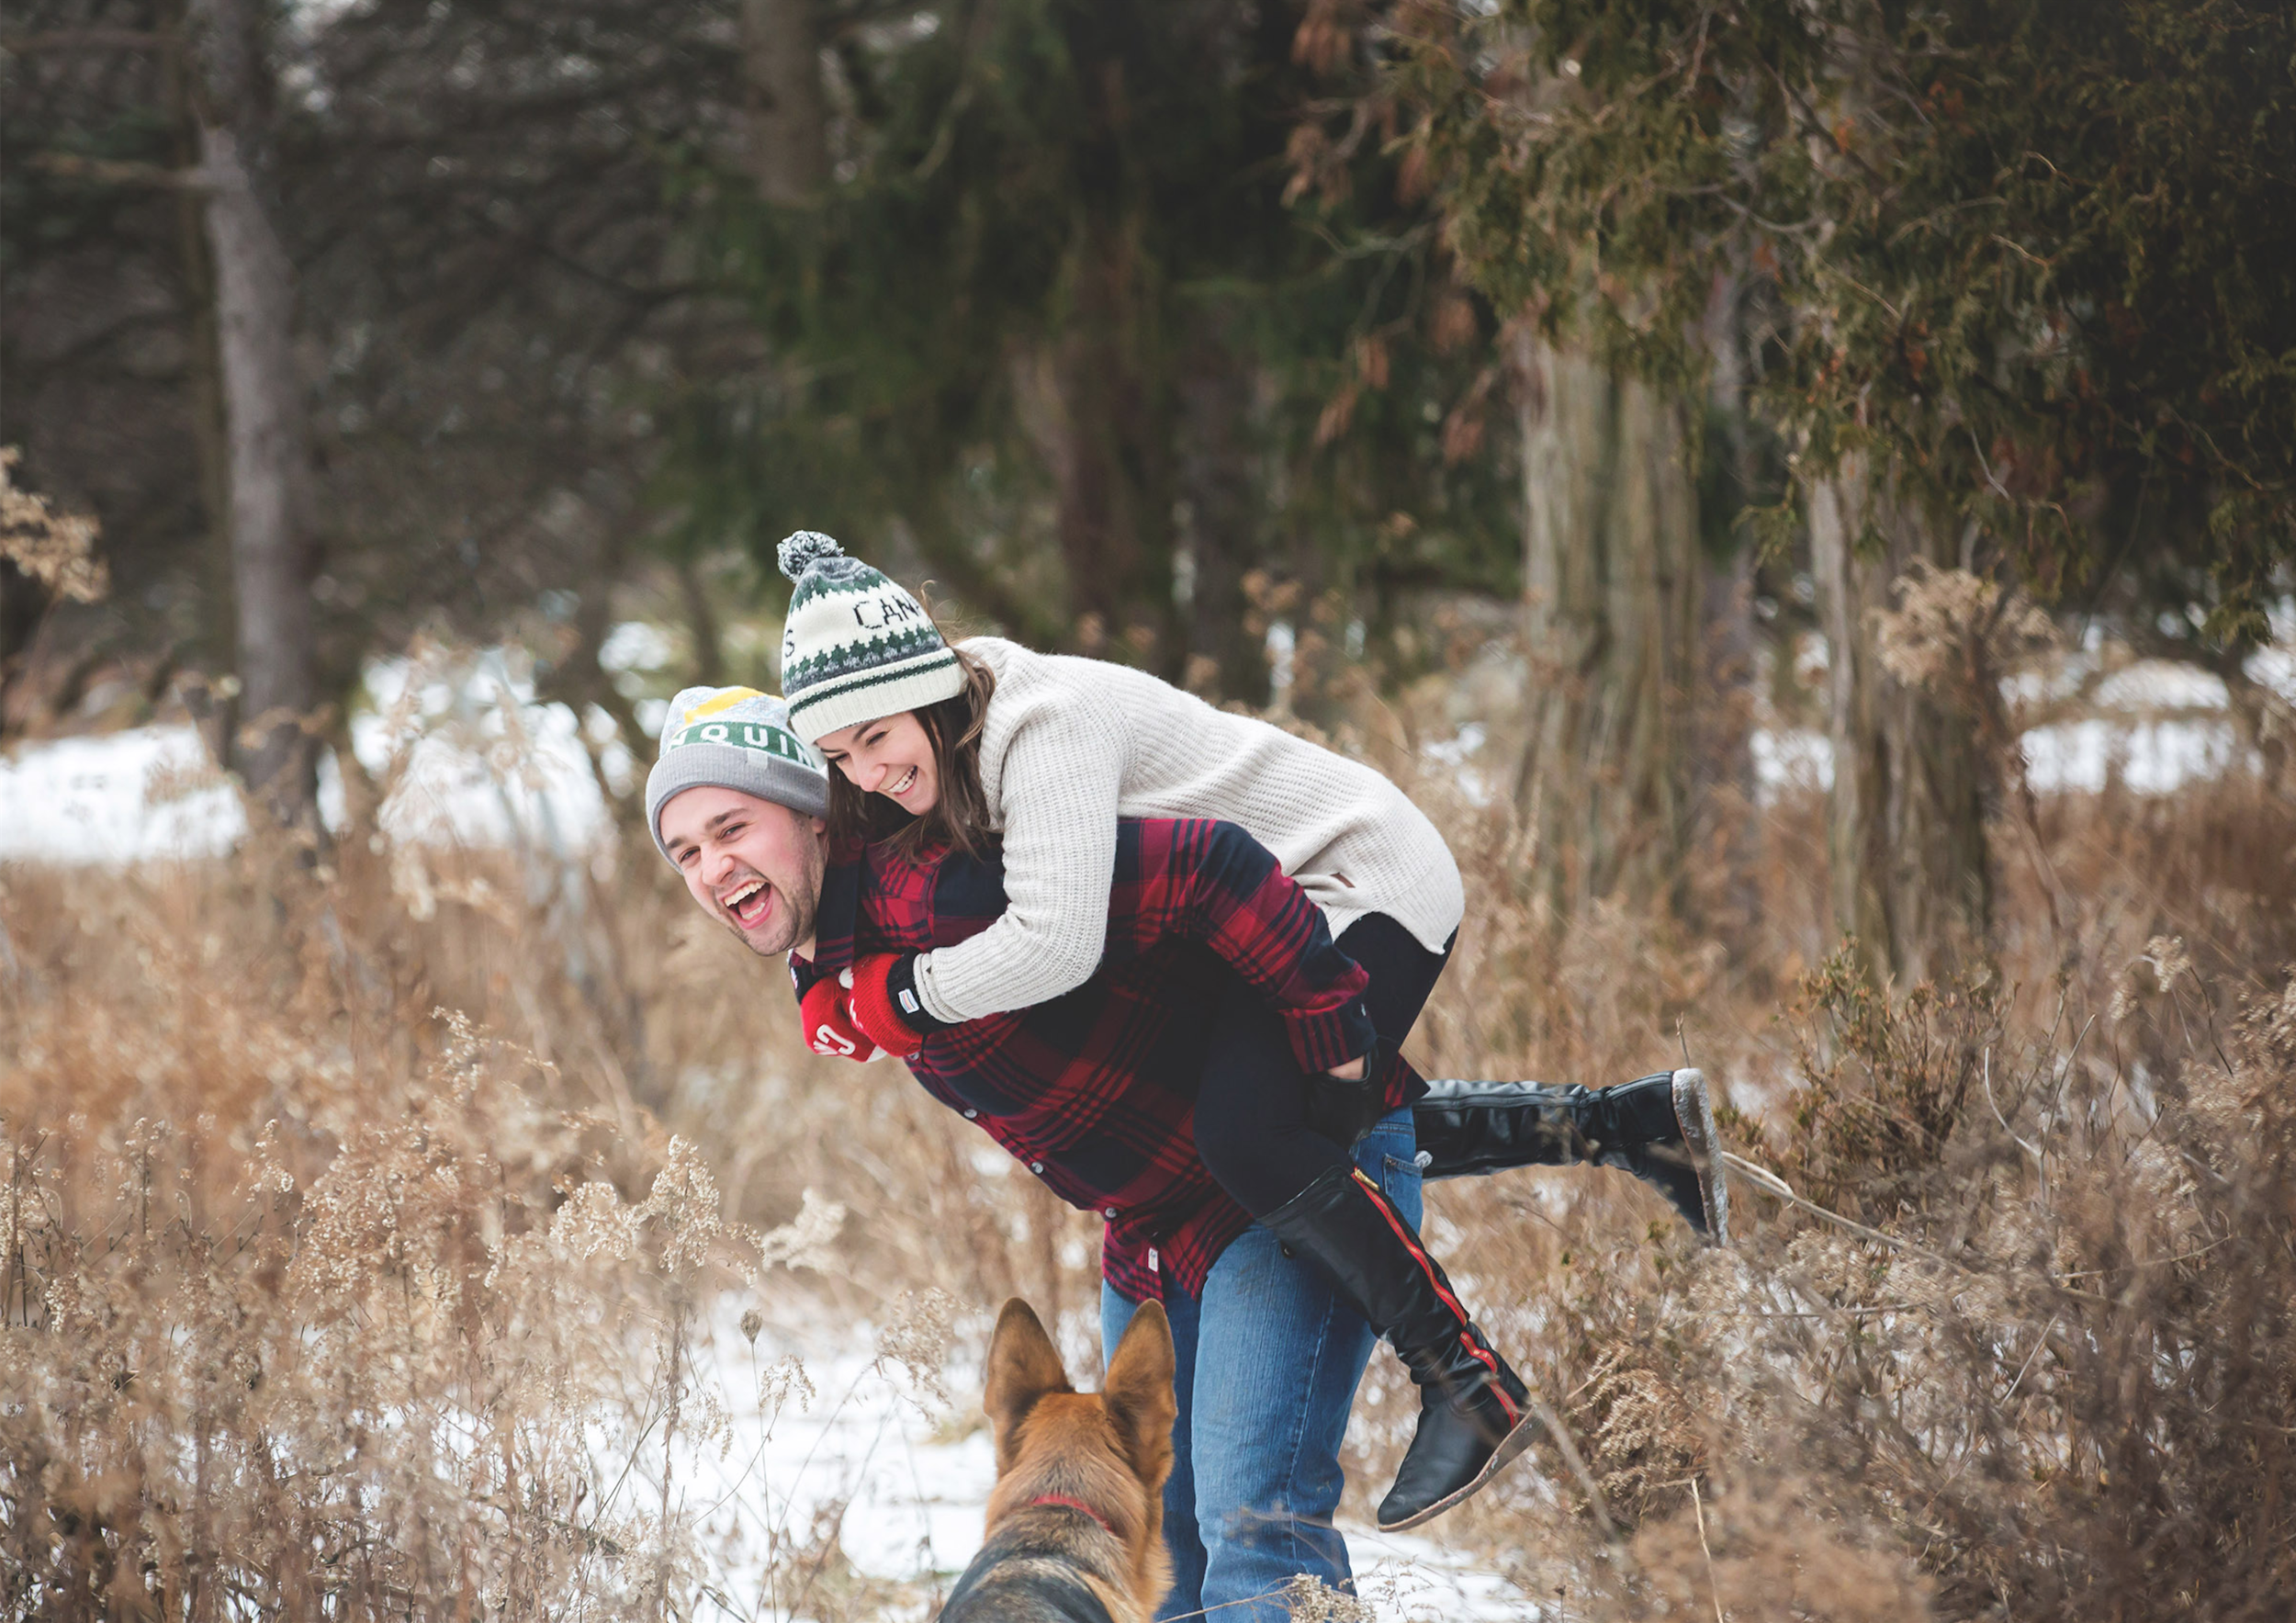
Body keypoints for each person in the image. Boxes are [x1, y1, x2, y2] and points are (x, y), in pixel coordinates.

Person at [642, 698, 1724, 1623]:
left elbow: (1206, 871)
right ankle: (1619, 1123)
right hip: (1155, 1233)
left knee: (1254, 1537)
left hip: (1264, 1210)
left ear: (816, 806)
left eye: (731, 826)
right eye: (685, 851)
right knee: (1168, 1562)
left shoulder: (947, 893)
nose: (710, 868)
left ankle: (1478, 1354)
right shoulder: (834, 954)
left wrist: (1335, 1042)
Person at [763, 531, 1727, 1533]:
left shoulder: (1040, 726)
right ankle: (1624, 1125)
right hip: (1243, 924)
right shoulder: (930, 749)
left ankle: (1466, 1382)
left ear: (928, 691)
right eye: (839, 757)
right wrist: (815, 972)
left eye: (877, 739)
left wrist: (900, 997)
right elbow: (849, 878)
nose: (867, 774)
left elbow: (1050, 942)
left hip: (1353, 876)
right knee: (1282, 1122)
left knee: (1248, 1134)